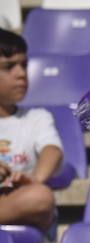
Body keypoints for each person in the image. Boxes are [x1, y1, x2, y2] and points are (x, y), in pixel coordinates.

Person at [0, 30, 60, 231]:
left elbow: (52, 151)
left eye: (24, 65)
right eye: (9, 67)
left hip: (20, 205)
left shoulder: (37, 118)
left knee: (40, 196)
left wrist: (35, 179)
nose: (21, 73)